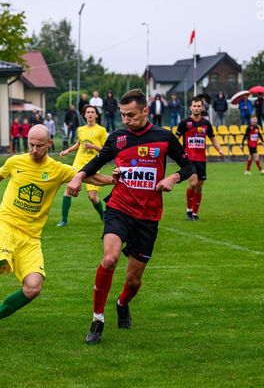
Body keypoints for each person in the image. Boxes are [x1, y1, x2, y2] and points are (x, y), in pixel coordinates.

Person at [0, 125, 116, 339]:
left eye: (39, 146)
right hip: (6, 225)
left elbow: (90, 177)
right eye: (31, 144)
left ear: (49, 144)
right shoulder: (16, 162)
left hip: (31, 236)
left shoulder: (58, 169)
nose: (34, 150)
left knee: (33, 287)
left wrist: (114, 180)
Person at [66, 89, 193, 345]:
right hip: (119, 208)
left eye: (131, 115)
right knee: (109, 258)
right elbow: (96, 162)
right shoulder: (117, 137)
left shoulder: (164, 137)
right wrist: (78, 176)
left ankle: (122, 303)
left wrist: (173, 177)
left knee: (133, 281)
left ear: (145, 111)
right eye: (123, 115)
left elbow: (189, 166)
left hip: (148, 216)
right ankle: (97, 319)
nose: (126, 119)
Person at [57, 105, 108, 227]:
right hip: (78, 163)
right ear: (85, 115)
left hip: (93, 165)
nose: (90, 114)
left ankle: (103, 216)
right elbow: (78, 144)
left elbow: (105, 150)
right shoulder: (80, 129)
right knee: (68, 189)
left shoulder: (101, 130)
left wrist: (93, 147)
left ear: (96, 115)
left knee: (92, 196)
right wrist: (67, 151)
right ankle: (63, 220)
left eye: (92, 112)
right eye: (88, 112)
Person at [176, 95, 224, 221]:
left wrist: (219, 149)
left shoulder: (206, 124)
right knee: (193, 183)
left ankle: (195, 213)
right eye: (194, 106)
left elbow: (213, 138)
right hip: (189, 159)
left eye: (199, 106)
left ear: (202, 108)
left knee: (199, 186)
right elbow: (176, 139)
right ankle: (188, 210)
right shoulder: (184, 123)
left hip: (201, 159)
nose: (196, 108)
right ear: (191, 107)